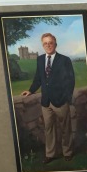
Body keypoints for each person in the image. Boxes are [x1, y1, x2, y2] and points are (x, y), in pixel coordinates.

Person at [22, 33, 75, 164]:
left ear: (55, 44)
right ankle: (50, 154)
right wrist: (31, 90)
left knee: (65, 128)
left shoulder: (65, 60)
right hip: (46, 102)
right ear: (43, 45)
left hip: (61, 101)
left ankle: (67, 152)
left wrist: (66, 97)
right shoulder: (40, 59)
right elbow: (38, 78)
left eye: (50, 43)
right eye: (45, 43)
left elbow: (70, 81)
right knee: (48, 129)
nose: (48, 45)